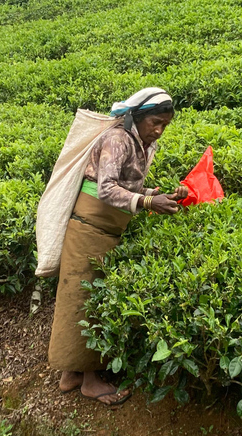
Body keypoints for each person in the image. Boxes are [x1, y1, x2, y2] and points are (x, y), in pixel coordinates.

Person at [48, 87, 188, 406]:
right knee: (83, 302)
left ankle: (70, 374)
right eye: (155, 122)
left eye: (165, 125)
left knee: (83, 298)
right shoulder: (117, 139)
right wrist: (149, 201)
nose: (159, 130)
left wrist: (162, 194)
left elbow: (132, 188)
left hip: (108, 228)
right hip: (89, 227)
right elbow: (107, 189)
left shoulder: (143, 145)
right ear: (137, 118)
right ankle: (90, 380)